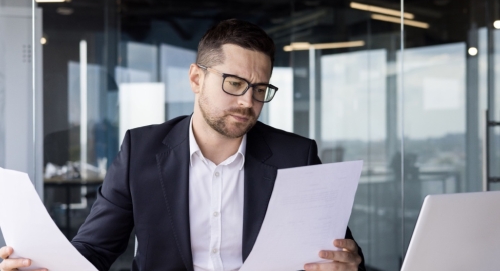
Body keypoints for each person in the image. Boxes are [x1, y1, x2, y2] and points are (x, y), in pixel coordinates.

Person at [0, 19, 365, 271]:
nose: (247, 102)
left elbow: (337, 251)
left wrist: (350, 262)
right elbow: (94, 250)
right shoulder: (140, 150)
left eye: (259, 89)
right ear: (196, 78)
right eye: (234, 83)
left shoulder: (295, 155)